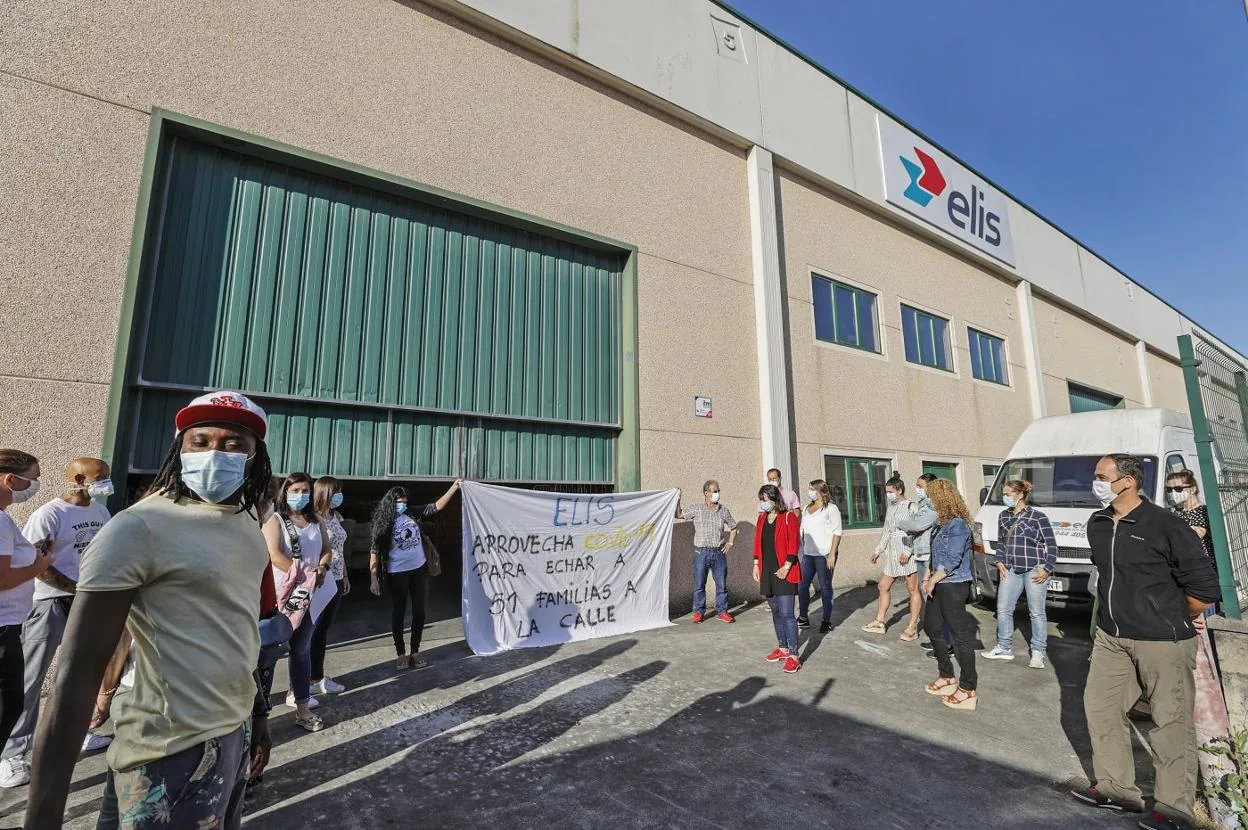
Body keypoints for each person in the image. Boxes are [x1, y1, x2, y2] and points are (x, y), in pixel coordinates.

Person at [26, 391, 274, 829]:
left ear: (256, 456)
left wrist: (258, 715)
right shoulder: (139, 527)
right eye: (200, 441)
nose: (215, 453)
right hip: (164, 752)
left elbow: (237, 628)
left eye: (233, 443)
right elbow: (78, 668)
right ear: (180, 450)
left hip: (231, 734)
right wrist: (43, 815)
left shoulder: (247, 524)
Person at [1070, 454, 1219, 830]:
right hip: (1112, 637)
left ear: (1128, 481)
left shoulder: (1165, 525)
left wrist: (1174, 614)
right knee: (1100, 708)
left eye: (1102, 476)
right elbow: (1108, 577)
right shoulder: (1099, 523)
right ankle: (1117, 790)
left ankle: (1174, 809)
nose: (1096, 483)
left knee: (1170, 723)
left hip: (1162, 641)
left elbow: (1203, 588)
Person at [0, 458, 112, 789]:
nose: (105, 482)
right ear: (79, 478)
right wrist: (74, 588)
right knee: (30, 681)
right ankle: (13, 753)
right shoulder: (49, 514)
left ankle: (74, 734)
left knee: (76, 674)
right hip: (48, 603)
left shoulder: (100, 513)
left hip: (84, 603)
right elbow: (39, 562)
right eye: (100, 478)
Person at [262, 472, 332, 731]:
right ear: (286, 492)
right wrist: (302, 575)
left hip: (311, 596)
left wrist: (323, 567)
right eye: (296, 490)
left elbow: (326, 549)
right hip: (284, 597)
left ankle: (302, 708)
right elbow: (274, 554)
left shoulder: (316, 521)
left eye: (306, 491)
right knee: (268, 653)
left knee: (301, 651)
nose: (301, 495)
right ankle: (260, 713)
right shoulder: (276, 520)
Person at [0, 451, 54, 775]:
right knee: (9, 708)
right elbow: (2, 578)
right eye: (32, 479)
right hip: (3, 630)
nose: (34, 485)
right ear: (10, 480)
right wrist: (39, 565)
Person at [369, 481, 461, 670]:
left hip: (418, 570)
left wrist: (454, 487)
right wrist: (373, 578)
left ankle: (416, 650)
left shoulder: (411, 513)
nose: (402, 505)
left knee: (419, 612)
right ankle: (401, 653)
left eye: (404, 501)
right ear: (390, 503)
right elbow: (374, 551)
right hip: (397, 573)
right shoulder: (383, 522)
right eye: (398, 502)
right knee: (399, 612)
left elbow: (436, 506)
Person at [981, 479, 1057, 669]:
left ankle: (1038, 652)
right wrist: (999, 560)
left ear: (1020, 495)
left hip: (1034, 570)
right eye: (1004, 494)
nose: (1004, 498)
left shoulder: (1038, 517)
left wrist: (1046, 568)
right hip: (1011, 569)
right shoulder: (1003, 516)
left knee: (1036, 612)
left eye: (1008, 494)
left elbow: (1052, 545)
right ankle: (1004, 648)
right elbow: (1001, 543)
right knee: (1003, 609)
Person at [920, 478, 979, 711]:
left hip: (953, 584)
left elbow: (952, 560)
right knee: (932, 627)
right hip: (937, 582)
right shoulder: (940, 524)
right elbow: (933, 556)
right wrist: (927, 577)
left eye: (932, 496)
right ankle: (946, 676)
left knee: (961, 636)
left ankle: (968, 688)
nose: (929, 500)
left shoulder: (958, 525)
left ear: (942, 498)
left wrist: (933, 580)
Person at [863, 474, 921, 641]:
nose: (888, 495)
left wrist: (908, 551)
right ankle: (879, 621)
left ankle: (912, 626)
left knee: (912, 589)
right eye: (886, 492)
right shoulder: (891, 508)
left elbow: (916, 532)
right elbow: (887, 531)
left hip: (906, 553)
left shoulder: (911, 506)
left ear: (899, 490)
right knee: (883, 586)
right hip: (892, 553)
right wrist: (878, 551)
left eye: (890, 491)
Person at [753, 484, 802, 673]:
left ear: (774, 499)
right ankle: (782, 648)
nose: (763, 503)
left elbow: (793, 543)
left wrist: (787, 566)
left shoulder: (788, 516)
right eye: (761, 500)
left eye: (765, 499)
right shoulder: (762, 518)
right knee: (775, 610)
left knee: (787, 613)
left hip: (785, 570)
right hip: (767, 571)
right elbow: (758, 543)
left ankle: (794, 656)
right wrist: (756, 565)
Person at [675, 480, 739, 624]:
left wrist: (730, 542)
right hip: (701, 553)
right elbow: (679, 515)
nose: (717, 494)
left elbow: (734, 527)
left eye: (718, 491)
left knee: (721, 584)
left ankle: (722, 612)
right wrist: (677, 498)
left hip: (718, 552)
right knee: (699, 584)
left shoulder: (723, 510)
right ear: (706, 493)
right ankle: (699, 612)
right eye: (715, 491)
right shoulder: (697, 508)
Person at [310, 475, 350, 696]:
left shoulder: (336, 517)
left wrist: (344, 575)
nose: (339, 496)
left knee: (323, 631)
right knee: (311, 632)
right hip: (320, 580)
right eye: (336, 492)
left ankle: (317, 677)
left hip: (335, 578)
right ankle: (306, 679)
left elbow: (339, 549)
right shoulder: (313, 519)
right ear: (325, 493)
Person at [899, 473, 942, 655]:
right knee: (924, 595)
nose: (917, 489)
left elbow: (916, 526)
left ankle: (942, 640)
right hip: (919, 554)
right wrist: (908, 551)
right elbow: (913, 533)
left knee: (934, 597)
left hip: (929, 555)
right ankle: (934, 637)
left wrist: (900, 522)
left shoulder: (933, 506)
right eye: (916, 486)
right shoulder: (921, 505)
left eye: (920, 486)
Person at [796, 479, 841, 633]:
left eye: (811, 489)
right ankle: (803, 617)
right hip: (808, 554)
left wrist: (832, 554)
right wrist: (801, 551)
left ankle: (826, 621)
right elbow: (802, 530)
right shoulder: (806, 508)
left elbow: (837, 532)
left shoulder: (831, 508)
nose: (809, 492)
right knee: (802, 586)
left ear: (821, 491)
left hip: (824, 555)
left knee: (825, 587)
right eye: (809, 488)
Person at [1166, 469, 1215, 562]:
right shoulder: (1175, 512)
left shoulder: (1203, 511)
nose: (1173, 493)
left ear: (1192, 489)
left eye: (1178, 489)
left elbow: (1193, 537)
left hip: (1201, 564)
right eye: (1169, 489)